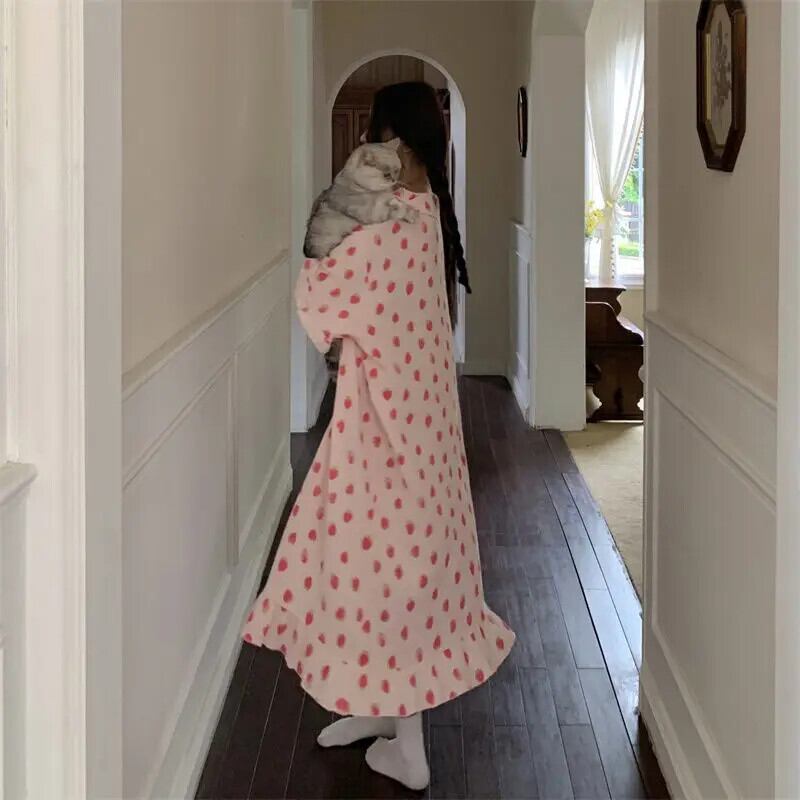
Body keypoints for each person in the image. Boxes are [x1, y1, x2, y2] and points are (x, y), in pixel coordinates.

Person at [242, 82, 514, 790]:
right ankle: (377, 709)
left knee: (380, 573)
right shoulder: (426, 213)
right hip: (422, 430)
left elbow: (317, 291)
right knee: (393, 568)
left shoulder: (385, 228)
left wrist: (337, 207)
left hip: (384, 432)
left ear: (393, 141)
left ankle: (409, 744)